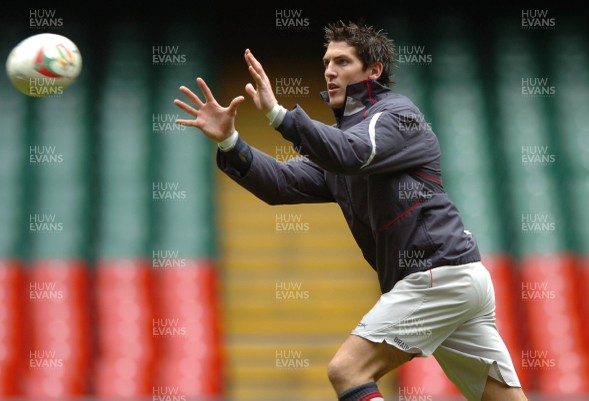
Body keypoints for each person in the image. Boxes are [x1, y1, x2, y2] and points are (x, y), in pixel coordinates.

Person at [174, 20, 527, 401]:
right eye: (327, 62)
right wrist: (229, 141)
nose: (329, 71)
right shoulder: (341, 145)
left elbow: (354, 153)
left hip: (435, 275)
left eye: (342, 62)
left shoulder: (399, 116)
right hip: (455, 279)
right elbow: (280, 184)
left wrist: (278, 115)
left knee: (348, 370)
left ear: (373, 71)